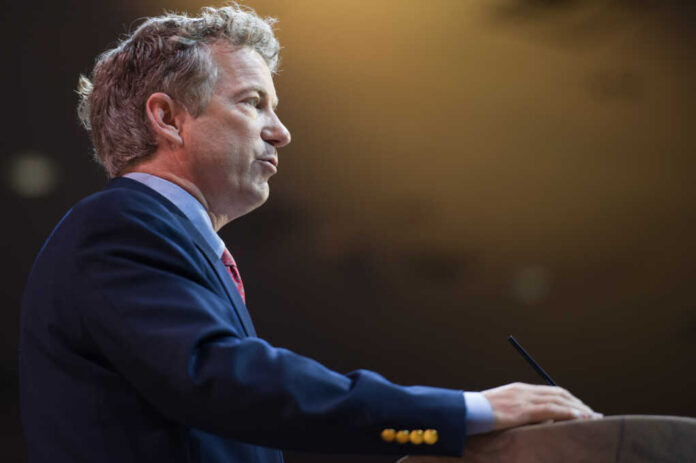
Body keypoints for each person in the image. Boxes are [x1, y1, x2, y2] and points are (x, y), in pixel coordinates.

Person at [19, 5, 600, 463]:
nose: (282, 132)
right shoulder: (121, 226)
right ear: (168, 118)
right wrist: (463, 413)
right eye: (254, 103)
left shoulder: (162, 239)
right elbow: (227, 383)